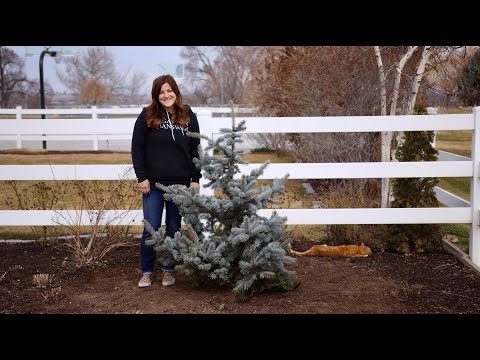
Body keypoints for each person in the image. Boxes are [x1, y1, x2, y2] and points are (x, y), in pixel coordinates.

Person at [131, 74, 201, 288]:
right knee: (150, 228)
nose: (166, 95)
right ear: (156, 95)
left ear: (176, 92)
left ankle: (169, 270)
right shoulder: (146, 116)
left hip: (179, 184)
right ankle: (147, 271)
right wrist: (142, 177)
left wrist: (195, 178)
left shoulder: (188, 115)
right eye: (162, 92)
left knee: (173, 227)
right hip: (153, 185)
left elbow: (195, 149)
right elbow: (137, 148)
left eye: (169, 90)